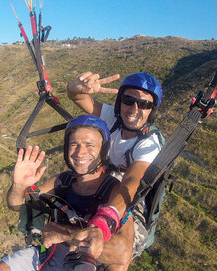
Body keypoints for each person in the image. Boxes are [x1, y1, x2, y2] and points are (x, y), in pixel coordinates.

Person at [0, 115, 134, 271]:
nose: (79, 152)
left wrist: (65, 234)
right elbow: (16, 206)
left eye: (90, 145)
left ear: (103, 150)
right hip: (45, 260)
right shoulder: (64, 181)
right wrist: (19, 186)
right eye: (74, 144)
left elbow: (123, 253)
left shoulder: (115, 192)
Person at [66, 71, 164, 257]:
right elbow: (77, 96)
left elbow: (132, 181)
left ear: (152, 110)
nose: (134, 109)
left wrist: (106, 220)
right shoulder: (113, 118)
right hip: (103, 182)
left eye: (144, 104)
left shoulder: (149, 144)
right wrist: (75, 88)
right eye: (128, 100)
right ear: (120, 102)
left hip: (129, 200)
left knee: (116, 251)